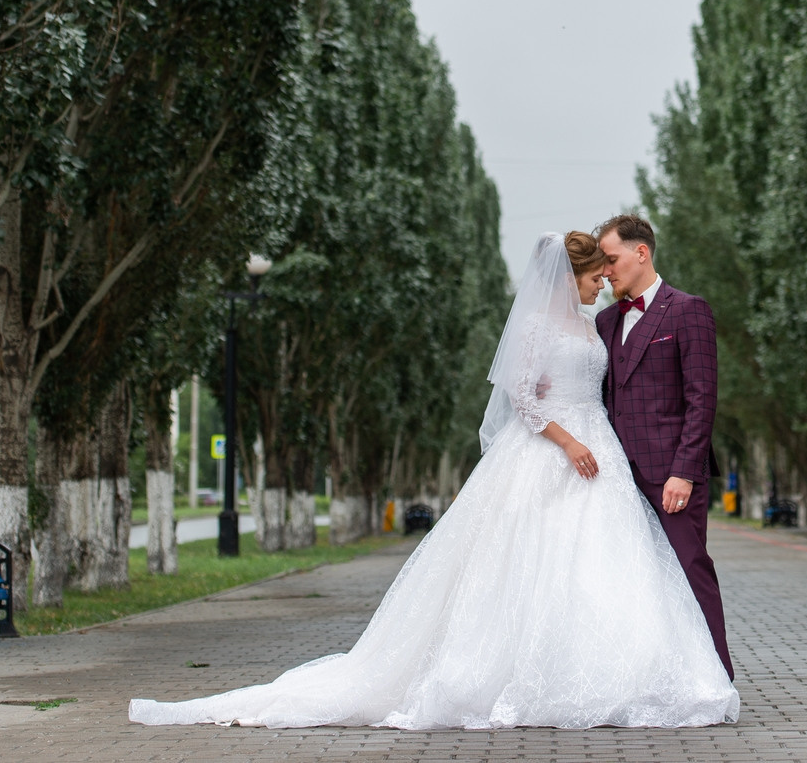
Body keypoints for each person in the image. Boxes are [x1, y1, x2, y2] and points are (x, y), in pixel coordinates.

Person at [128, 231, 739, 731]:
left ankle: (635, 672)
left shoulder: (598, 325)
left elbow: (636, 390)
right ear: (568, 275)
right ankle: (525, 675)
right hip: (560, 451)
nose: (604, 280)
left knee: (607, 569)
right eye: (595, 272)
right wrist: (570, 440)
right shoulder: (547, 327)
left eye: (608, 270)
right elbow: (524, 396)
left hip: (604, 457)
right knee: (533, 567)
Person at [594, 213, 732, 679]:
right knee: (632, 581)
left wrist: (685, 471)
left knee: (690, 569)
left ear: (641, 252)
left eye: (610, 260)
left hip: (671, 475)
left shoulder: (688, 310)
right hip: (616, 476)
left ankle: (716, 677)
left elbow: (702, 399)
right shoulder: (605, 321)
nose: (606, 271)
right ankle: (652, 679)